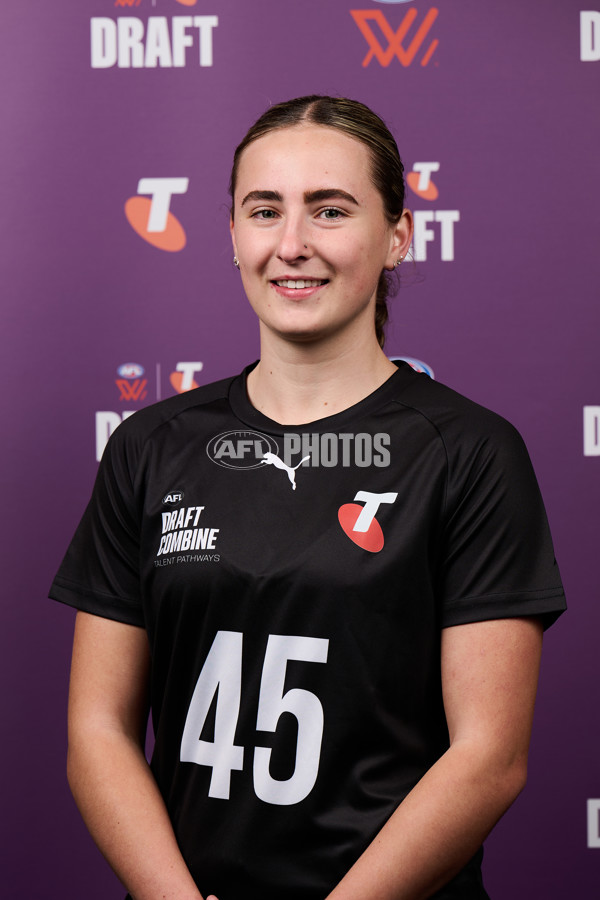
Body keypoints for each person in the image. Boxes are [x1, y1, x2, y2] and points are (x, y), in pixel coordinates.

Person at [50, 95, 566, 900]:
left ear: (398, 234)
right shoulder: (150, 447)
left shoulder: (469, 453)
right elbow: (98, 728)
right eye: (265, 210)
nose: (291, 245)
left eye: (330, 210)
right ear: (231, 234)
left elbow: (488, 758)